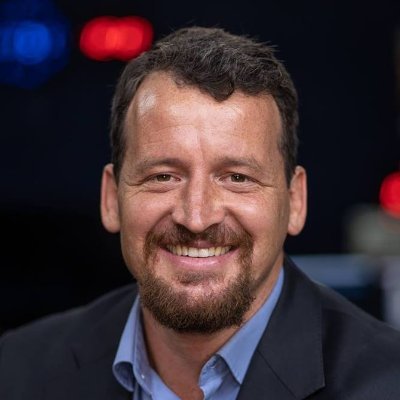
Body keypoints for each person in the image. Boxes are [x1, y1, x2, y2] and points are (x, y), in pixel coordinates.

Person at [1, 26, 400, 400]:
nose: (196, 217)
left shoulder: (387, 382)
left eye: (237, 178)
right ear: (111, 198)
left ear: (295, 202)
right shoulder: (17, 371)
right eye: (163, 176)